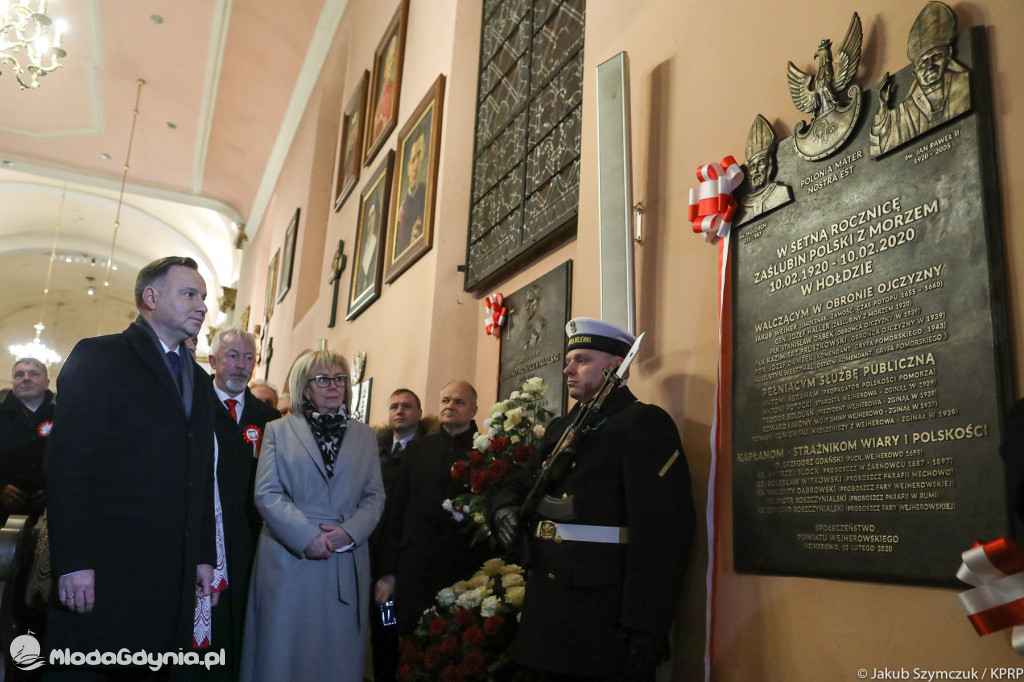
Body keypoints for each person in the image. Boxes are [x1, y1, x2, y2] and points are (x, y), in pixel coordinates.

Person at [491, 318, 696, 680]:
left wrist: (645, 625)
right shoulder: (562, 429)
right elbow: (522, 482)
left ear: (616, 365)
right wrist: (505, 508)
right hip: (546, 610)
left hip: (601, 613)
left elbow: (664, 532)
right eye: (570, 359)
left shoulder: (642, 423)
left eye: (582, 359)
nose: (568, 368)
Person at [45, 256, 217, 674]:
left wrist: (203, 554)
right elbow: (69, 467)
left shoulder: (198, 377)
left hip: (171, 574)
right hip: (106, 567)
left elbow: (200, 473)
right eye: (190, 294)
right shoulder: (100, 356)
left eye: (204, 297)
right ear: (151, 297)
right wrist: (74, 562)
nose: (202, 306)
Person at [241, 350, 384, 682]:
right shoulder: (278, 430)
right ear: (305, 389)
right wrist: (307, 537)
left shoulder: (365, 435)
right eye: (322, 379)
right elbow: (267, 493)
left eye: (339, 379)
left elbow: (374, 495)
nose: (333, 386)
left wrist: (349, 533)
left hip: (344, 558)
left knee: (338, 656)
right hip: (290, 554)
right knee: (283, 652)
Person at [378, 380, 493, 634]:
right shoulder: (418, 449)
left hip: (462, 570)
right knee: (400, 633)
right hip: (413, 568)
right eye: (445, 400)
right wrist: (387, 571)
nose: (450, 405)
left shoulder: (485, 451)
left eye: (459, 401)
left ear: (473, 410)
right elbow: (396, 510)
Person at [203, 328, 280, 680]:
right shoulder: (191, 405)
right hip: (201, 535)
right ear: (213, 359)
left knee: (241, 623)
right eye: (232, 356)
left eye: (248, 357)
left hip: (249, 537)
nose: (241, 365)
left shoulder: (269, 419)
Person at [369, 388, 430, 682]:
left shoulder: (426, 453)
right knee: (378, 634)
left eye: (407, 406)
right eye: (394, 406)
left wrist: (390, 569)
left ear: (419, 413)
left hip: (402, 564)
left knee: (395, 631)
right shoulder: (375, 452)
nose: (399, 411)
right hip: (371, 557)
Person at [870, 1, 971, 157]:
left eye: (935, 57)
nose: (930, 65)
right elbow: (878, 148)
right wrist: (883, 106)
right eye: (923, 62)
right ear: (915, 72)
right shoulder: (904, 112)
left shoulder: (965, 84)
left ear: (948, 55)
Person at [0, 358, 54, 524]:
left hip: (48, 512)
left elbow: (74, 458)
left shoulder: (63, 416)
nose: (25, 378)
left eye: (33, 373)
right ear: (13, 382)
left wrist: (54, 488)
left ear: (47, 382)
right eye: (19, 374)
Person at [737, 114, 792, 225]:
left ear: (770, 165)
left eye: (761, 162)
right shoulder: (742, 210)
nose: (756, 170)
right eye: (752, 166)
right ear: (749, 174)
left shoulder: (781, 193)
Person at [393, 129, 427, 258]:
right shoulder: (402, 210)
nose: (416, 165)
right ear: (407, 166)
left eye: (419, 156)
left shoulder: (425, 192)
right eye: (413, 159)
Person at [355, 201, 380, 298]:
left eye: (372, 215)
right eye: (368, 217)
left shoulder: (376, 241)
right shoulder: (362, 247)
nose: (369, 220)